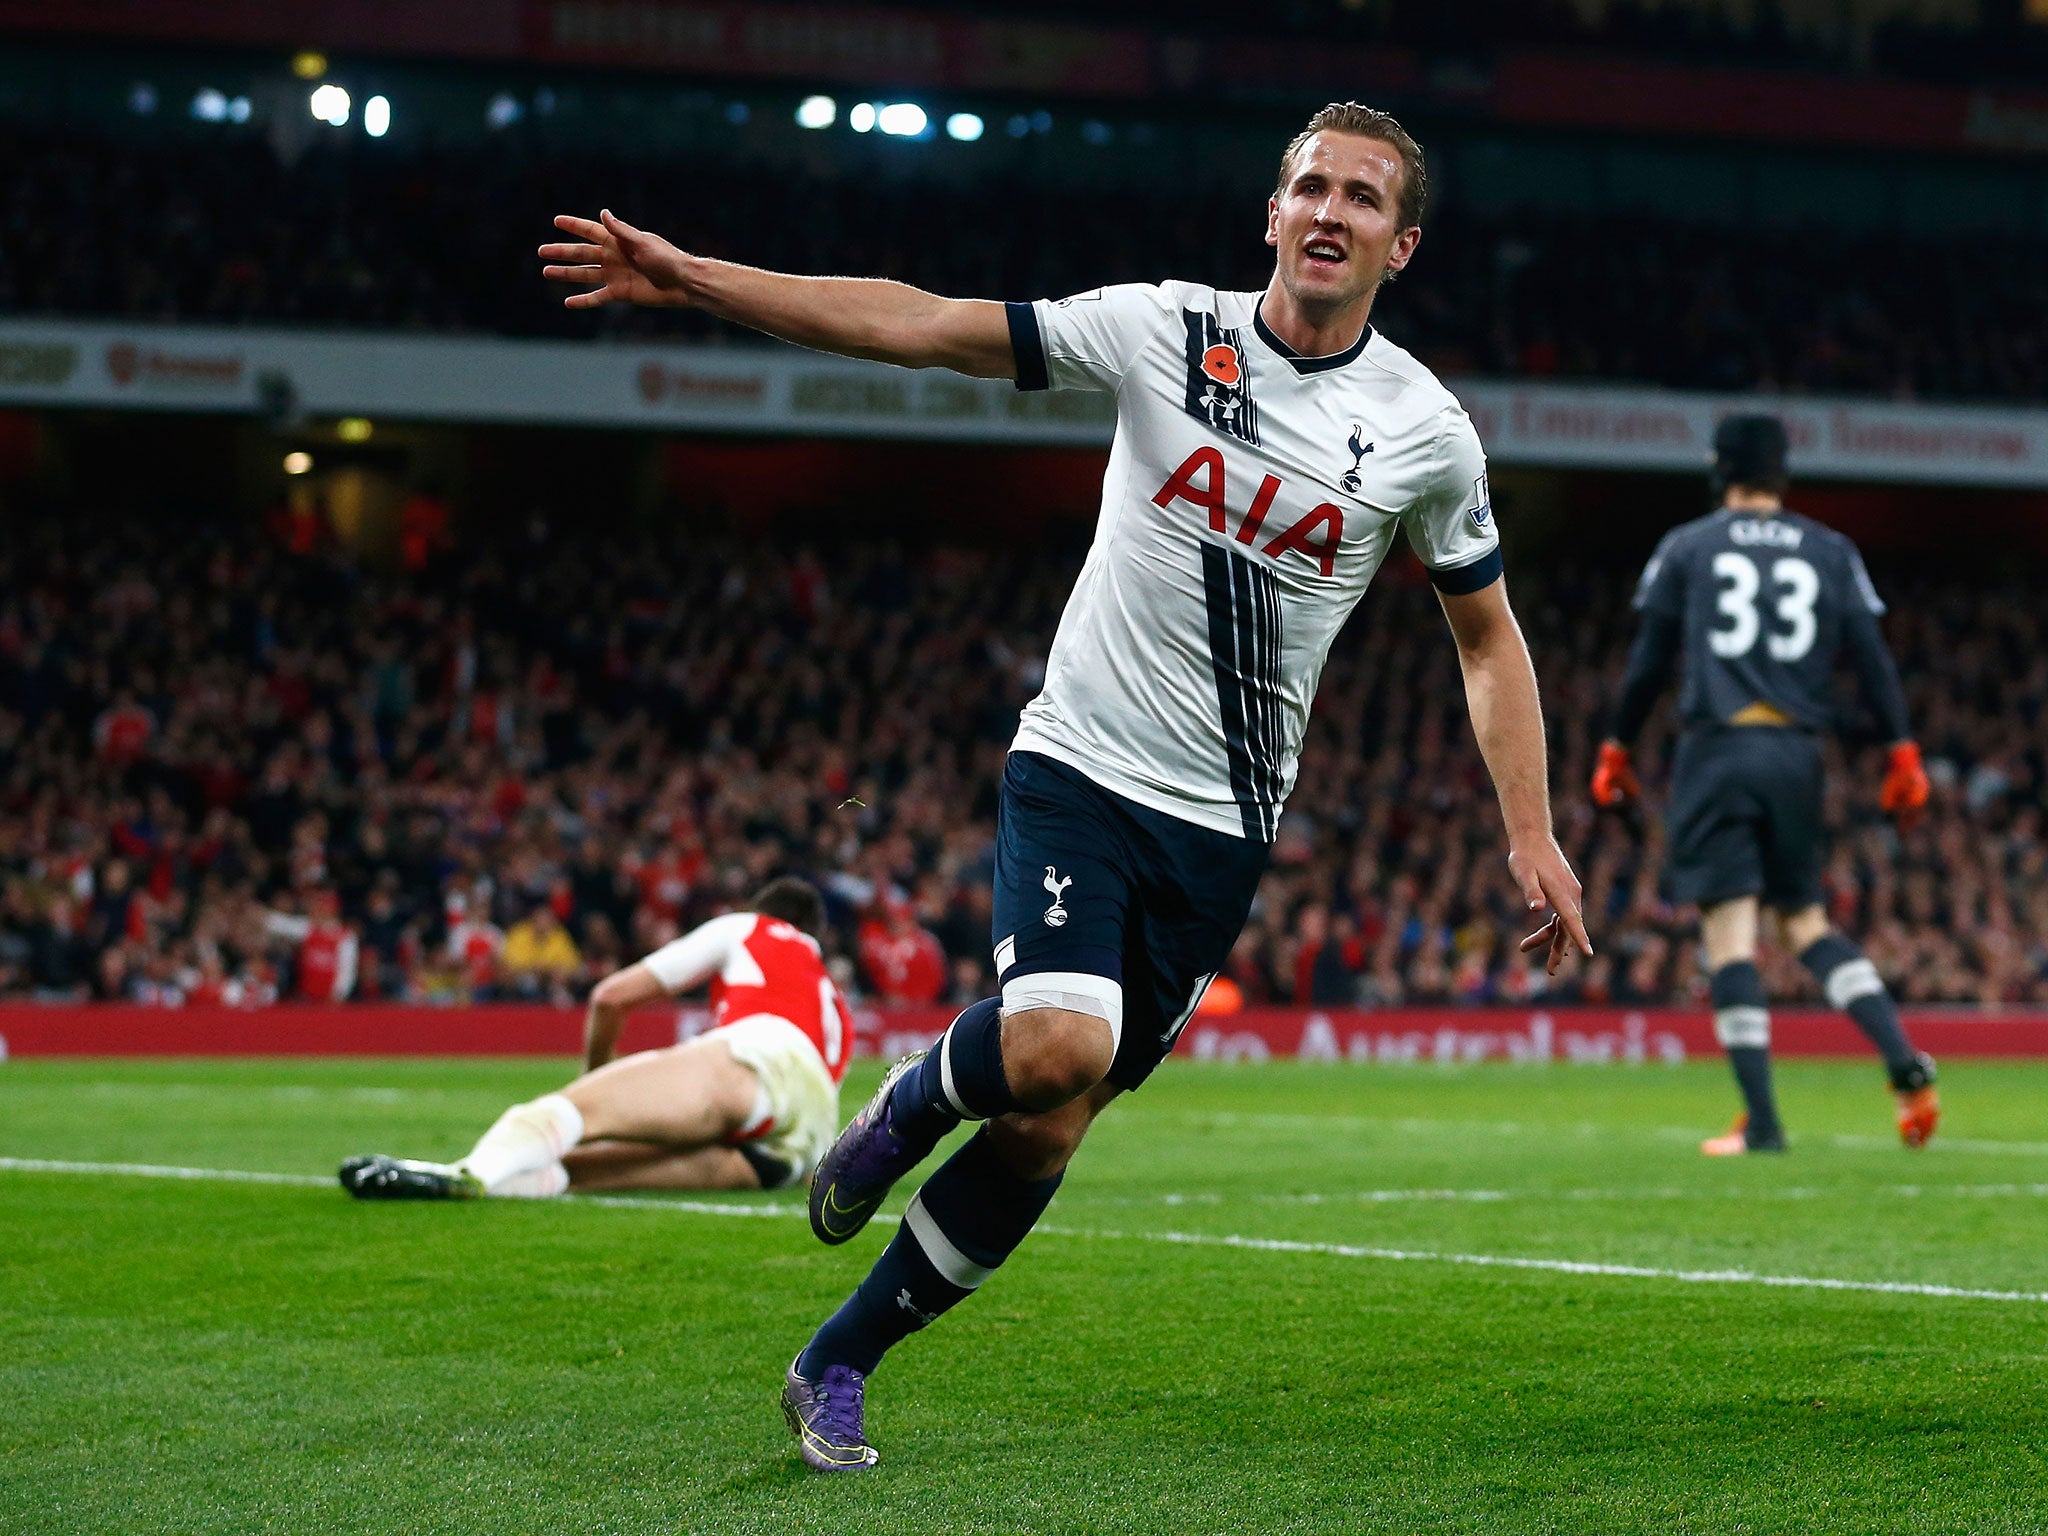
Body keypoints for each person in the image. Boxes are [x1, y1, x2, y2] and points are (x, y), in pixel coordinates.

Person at [540, 100, 1590, 1472]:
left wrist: (1534, 833)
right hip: (1081, 768)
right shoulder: (1163, 330)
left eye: (1364, 198)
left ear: (1403, 245)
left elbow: (1485, 633)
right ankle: (910, 1101)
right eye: (1310, 187)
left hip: (1223, 836)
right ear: (1271, 212)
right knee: (1053, 1047)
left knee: (1047, 1129)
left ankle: (836, 1361)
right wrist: (693, 277)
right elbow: (918, 322)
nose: (1331, 211)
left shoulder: (1425, 432)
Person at [1591, 414, 1938, 1156]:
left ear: (1721, 471)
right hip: (1796, 756)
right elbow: (1873, 660)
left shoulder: (1688, 545)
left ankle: (1765, 1125)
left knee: (1731, 939)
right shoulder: (1831, 549)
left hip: (1719, 749)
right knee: (1806, 926)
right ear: (1784, 473)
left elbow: (1650, 659)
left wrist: (1617, 743)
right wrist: (1902, 748)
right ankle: (1904, 1064)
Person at [339, 877, 851, 1199]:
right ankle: (516, 1183)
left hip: (757, 1061)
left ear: (768, 912)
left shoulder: (750, 928)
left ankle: (468, 1173)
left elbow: (611, 996)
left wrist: (598, 1080)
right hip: (799, 1144)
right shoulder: (836, 1006)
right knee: (577, 1172)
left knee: (569, 1113)